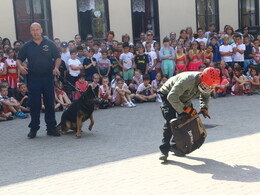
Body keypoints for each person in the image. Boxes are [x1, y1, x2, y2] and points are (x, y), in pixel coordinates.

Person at [158, 67, 220, 160]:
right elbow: (172, 96)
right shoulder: (188, 80)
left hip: (184, 97)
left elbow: (205, 96)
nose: (206, 88)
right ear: (201, 78)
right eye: (205, 86)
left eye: (209, 87)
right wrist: (185, 110)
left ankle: (175, 147)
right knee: (171, 122)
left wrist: (204, 108)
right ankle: (164, 150)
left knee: (187, 121)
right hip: (168, 95)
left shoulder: (207, 84)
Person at [17, 22, 61, 138]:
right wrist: (20, 67)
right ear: (30, 32)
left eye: (37, 29)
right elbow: (19, 59)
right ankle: (34, 128)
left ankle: (51, 128)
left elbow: (57, 57)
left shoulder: (50, 44)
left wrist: (56, 67)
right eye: (33, 30)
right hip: (33, 78)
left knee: (49, 103)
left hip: (48, 77)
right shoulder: (27, 46)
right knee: (35, 104)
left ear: (41, 30)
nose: (35, 32)